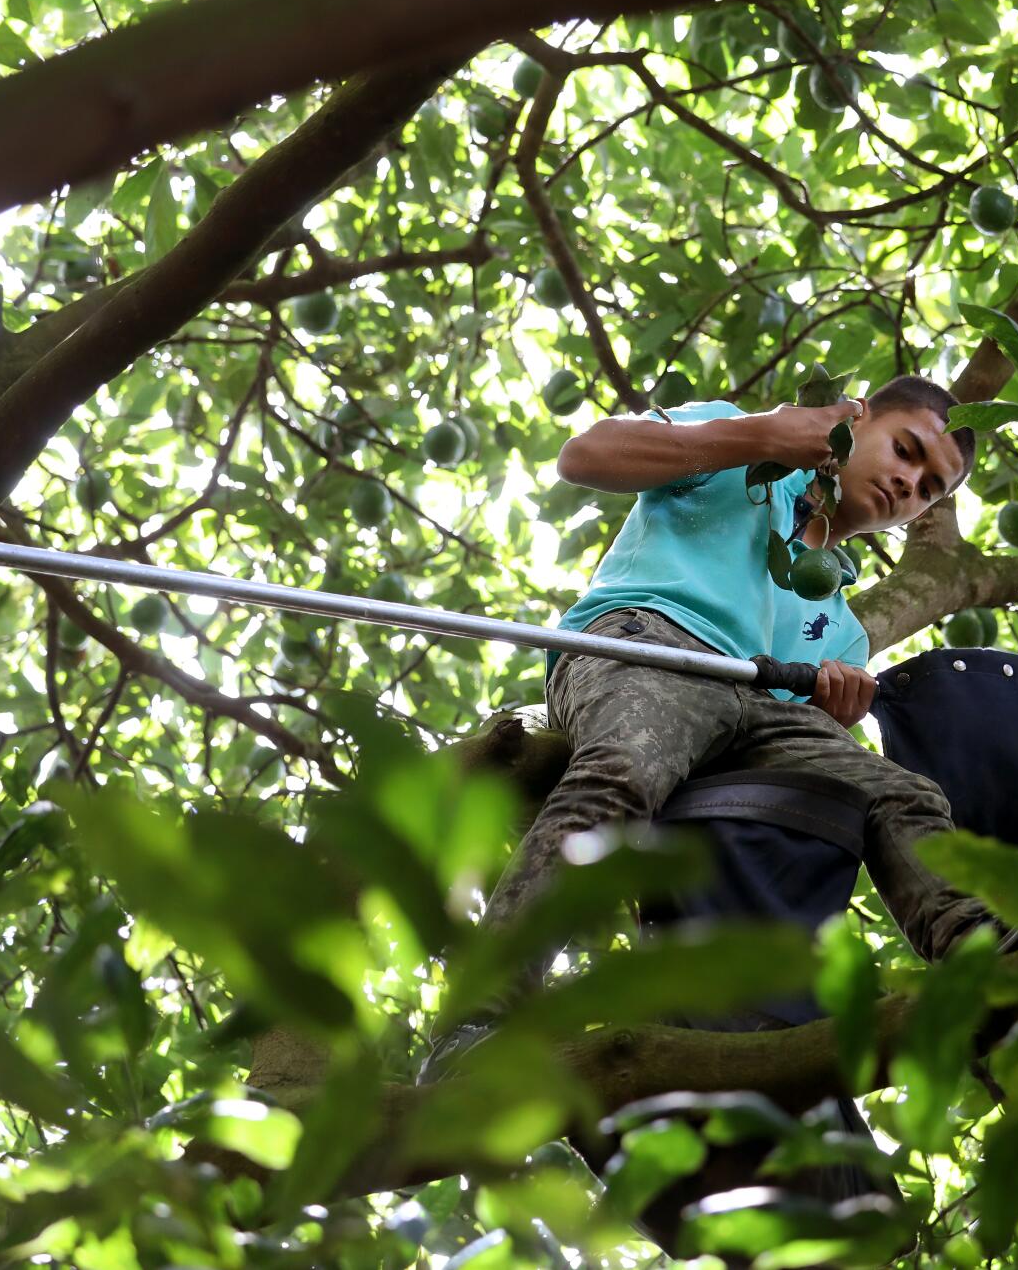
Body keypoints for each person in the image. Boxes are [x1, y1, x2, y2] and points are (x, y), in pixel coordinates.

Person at [421, 374, 988, 1080]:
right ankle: (483, 1019)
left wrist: (834, 710)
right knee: (625, 771)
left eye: (929, 487)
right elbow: (585, 455)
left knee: (898, 792)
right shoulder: (743, 450)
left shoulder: (840, 627)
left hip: (767, 704)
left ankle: (984, 959)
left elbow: (791, 776)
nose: (908, 484)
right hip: (650, 643)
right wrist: (763, 434)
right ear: (855, 418)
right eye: (905, 451)